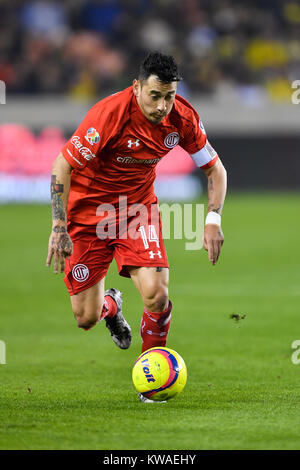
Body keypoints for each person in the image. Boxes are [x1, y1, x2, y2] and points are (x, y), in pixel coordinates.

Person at [46, 52, 227, 401]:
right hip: (86, 215)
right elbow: (61, 166)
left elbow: (215, 170)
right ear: (137, 87)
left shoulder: (183, 119)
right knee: (85, 318)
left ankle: (151, 376)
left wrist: (212, 219)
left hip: (136, 211)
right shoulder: (108, 115)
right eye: (155, 96)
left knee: (157, 294)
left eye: (169, 96)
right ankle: (110, 307)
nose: (162, 106)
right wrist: (58, 226)